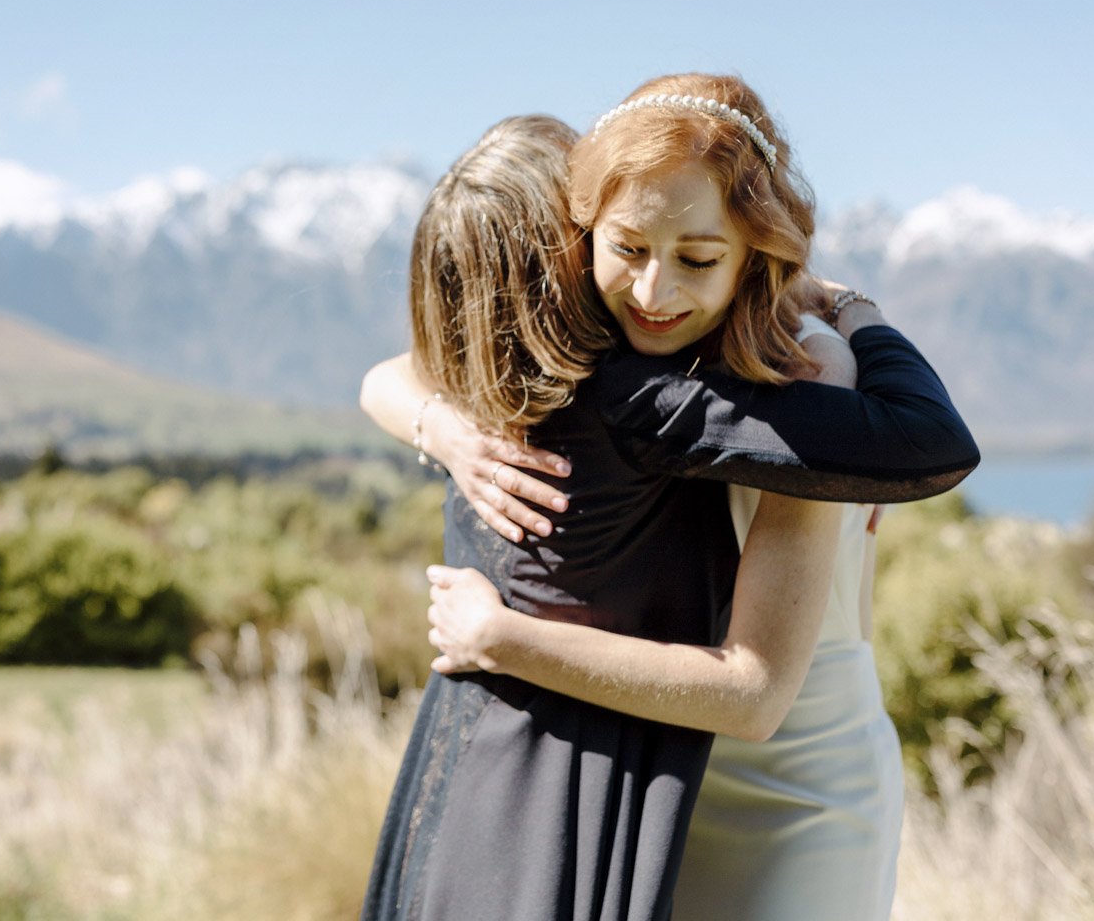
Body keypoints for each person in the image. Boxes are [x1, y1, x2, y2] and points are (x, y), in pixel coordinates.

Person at [360, 79, 976, 921]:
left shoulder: (809, 375)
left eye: (697, 257)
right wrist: (447, 430)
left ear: (749, 243)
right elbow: (395, 375)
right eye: (627, 248)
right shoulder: (613, 361)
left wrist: (852, 309)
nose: (653, 293)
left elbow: (925, 446)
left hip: (793, 779)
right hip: (661, 768)